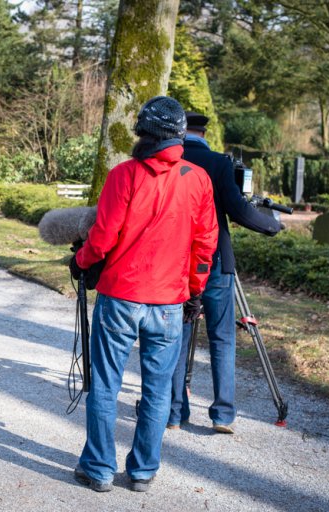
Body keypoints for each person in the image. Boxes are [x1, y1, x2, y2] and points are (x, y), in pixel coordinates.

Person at [69, 97, 218, 493]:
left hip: (121, 295)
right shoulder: (198, 179)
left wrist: (82, 261)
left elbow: (103, 237)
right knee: (156, 390)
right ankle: (142, 471)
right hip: (169, 301)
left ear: (142, 133)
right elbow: (205, 244)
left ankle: (99, 469)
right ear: (180, 134)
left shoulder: (125, 175)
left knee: (105, 383)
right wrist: (195, 291)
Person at [167, 112, 282, 434]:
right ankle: (222, 415)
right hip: (216, 260)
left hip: (175, 262)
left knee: (178, 336)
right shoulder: (219, 163)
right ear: (204, 132)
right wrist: (272, 225)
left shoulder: (168, 159)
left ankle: (174, 412)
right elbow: (239, 209)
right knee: (222, 337)